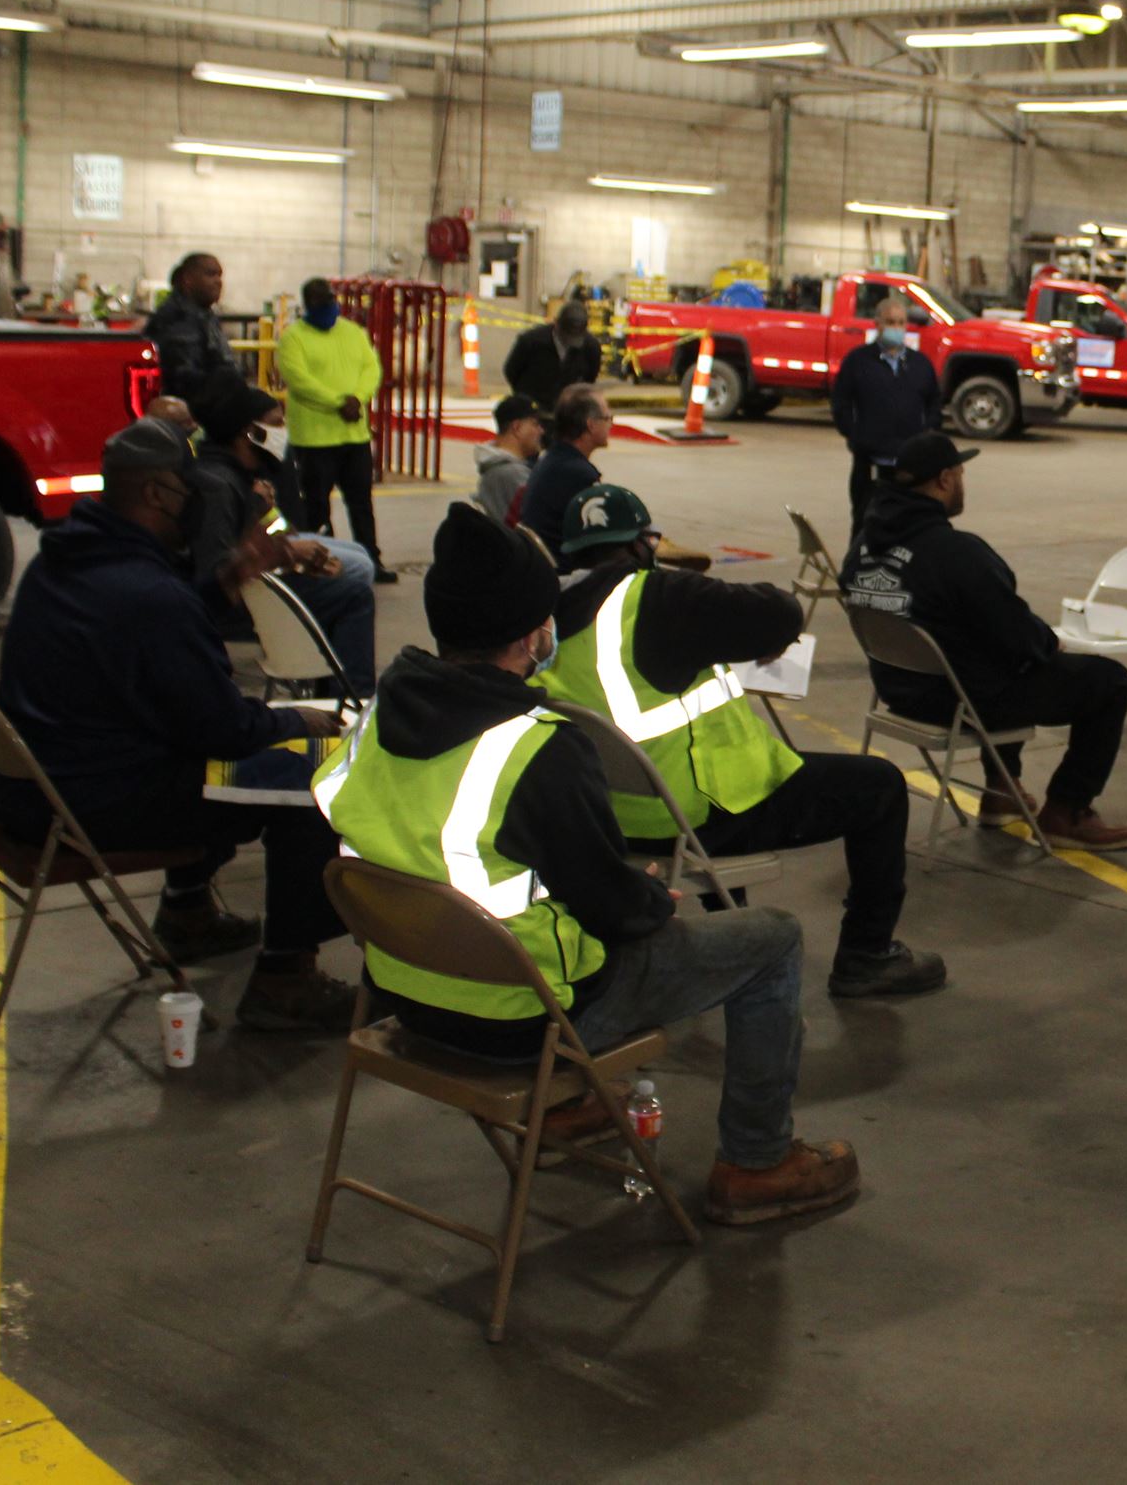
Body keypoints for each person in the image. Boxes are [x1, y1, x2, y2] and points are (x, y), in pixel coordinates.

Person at [317, 504, 860, 1225]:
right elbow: (612, 908)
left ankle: (572, 1106)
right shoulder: (534, 743)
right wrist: (650, 899)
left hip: (405, 991)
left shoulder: (381, 711)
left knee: (568, 912)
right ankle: (757, 1161)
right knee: (773, 939)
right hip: (520, 1017)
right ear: (531, 630)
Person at [0, 419, 353, 1030]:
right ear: (157, 494)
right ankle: (286, 978)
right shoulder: (147, 594)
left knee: (217, 755)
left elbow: (149, 650)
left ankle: (187, 913)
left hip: (33, 786)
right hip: (87, 801)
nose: (200, 503)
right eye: (189, 490)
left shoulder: (68, 560)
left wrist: (229, 579)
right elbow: (223, 728)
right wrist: (307, 718)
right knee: (312, 780)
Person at [537, 481, 945, 999]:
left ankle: (729, 927)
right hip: (689, 816)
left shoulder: (549, 615)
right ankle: (867, 954)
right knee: (881, 787)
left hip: (606, 817)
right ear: (645, 544)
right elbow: (780, 612)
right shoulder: (659, 595)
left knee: (737, 776)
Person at [841, 431, 1127, 851]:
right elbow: (1018, 636)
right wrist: (1049, 643)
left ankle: (1001, 790)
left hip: (899, 690)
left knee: (988, 657)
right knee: (1108, 680)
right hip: (957, 701)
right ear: (944, 480)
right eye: (960, 473)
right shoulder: (957, 553)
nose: (962, 481)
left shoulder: (863, 546)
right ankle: (1066, 811)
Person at [184, 375, 378, 694]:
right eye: (277, 424)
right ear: (250, 432)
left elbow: (266, 534)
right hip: (241, 604)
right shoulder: (219, 486)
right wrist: (284, 556)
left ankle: (335, 691)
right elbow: (218, 570)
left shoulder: (240, 474)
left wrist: (291, 556)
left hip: (256, 584)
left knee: (346, 575)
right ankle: (351, 697)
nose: (283, 431)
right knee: (353, 593)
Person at [280, 278, 393, 584]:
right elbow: (299, 380)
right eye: (319, 301)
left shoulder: (353, 332)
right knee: (316, 506)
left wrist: (359, 398)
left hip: (354, 436)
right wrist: (338, 403)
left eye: (330, 299)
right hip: (314, 439)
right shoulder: (293, 338)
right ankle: (320, 563)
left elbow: (373, 368)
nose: (327, 305)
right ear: (307, 304)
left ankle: (372, 559)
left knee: (361, 503)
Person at [830, 292, 941, 531]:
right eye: (891, 322)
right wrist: (854, 434)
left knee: (906, 527)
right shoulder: (858, 361)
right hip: (870, 465)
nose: (897, 328)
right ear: (877, 324)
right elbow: (841, 401)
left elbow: (934, 401)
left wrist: (927, 432)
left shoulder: (919, 364)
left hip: (909, 467)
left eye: (901, 323)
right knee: (865, 525)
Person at [518, 382, 611, 548]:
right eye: (607, 418)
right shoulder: (578, 475)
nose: (611, 424)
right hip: (565, 568)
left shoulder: (551, 461)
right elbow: (597, 539)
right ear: (591, 425)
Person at [147, 253, 234, 401]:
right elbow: (186, 380)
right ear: (188, 279)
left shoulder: (204, 314)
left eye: (220, 275)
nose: (218, 282)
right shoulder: (177, 318)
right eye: (210, 275)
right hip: (189, 409)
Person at [502, 300, 603, 414]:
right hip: (532, 409)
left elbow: (589, 379)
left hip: (568, 412)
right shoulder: (531, 341)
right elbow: (511, 370)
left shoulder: (590, 347)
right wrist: (526, 395)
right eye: (566, 336)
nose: (568, 343)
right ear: (556, 323)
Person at [473, 394, 543, 526]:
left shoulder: (494, 465)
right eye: (535, 424)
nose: (541, 431)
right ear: (516, 428)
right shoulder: (512, 473)